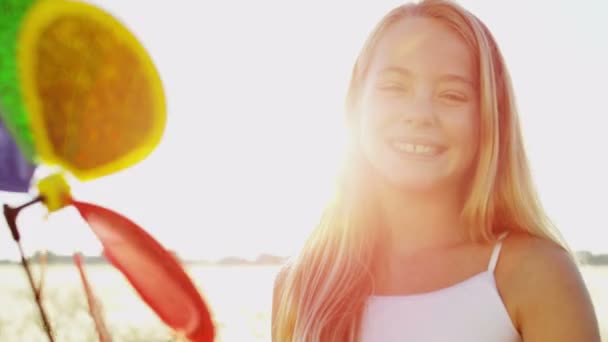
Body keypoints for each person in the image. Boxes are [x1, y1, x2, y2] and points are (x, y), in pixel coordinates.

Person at [271, 0, 601, 341]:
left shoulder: (534, 274)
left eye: (452, 95)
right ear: (357, 102)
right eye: (394, 87)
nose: (420, 114)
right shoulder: (302, 284)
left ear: (488, 119)